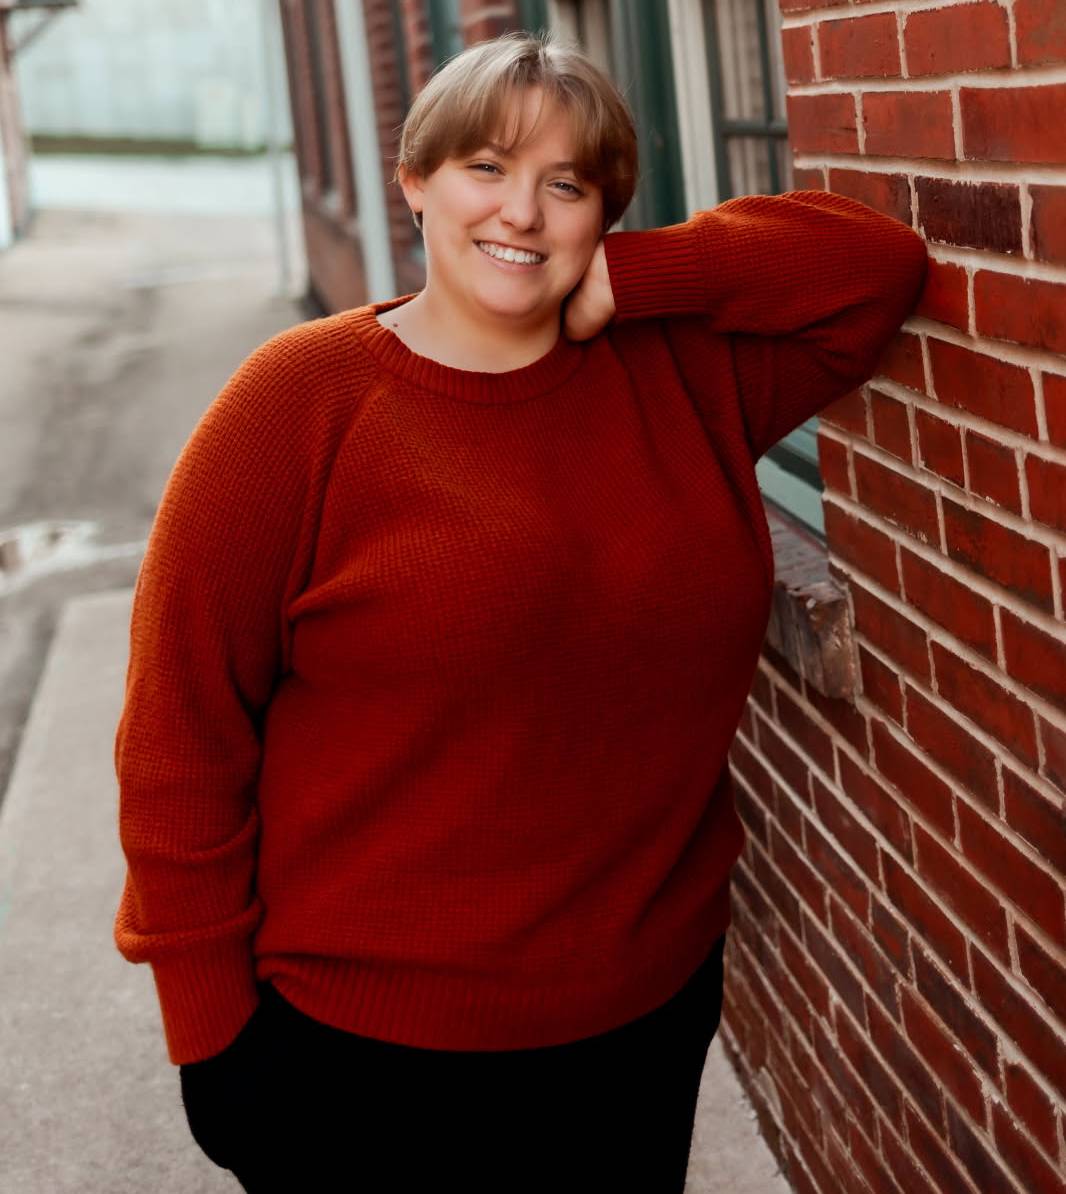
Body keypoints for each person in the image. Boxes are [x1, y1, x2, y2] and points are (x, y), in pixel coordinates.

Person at [111, 27, 928, 1194]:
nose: (523, 214)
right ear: (414, 181)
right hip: (362, 1049)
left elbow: (871, 269)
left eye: (567, 185)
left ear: (604, 213)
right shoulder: (295, 407)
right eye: (485, 168)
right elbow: (177, 738)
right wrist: (210, 1036)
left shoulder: (683, 375)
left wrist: (638, 281)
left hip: (641, 1013)